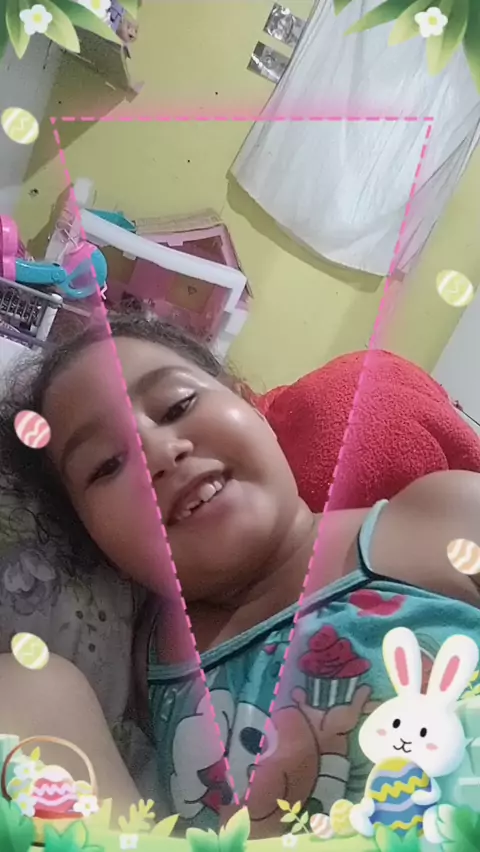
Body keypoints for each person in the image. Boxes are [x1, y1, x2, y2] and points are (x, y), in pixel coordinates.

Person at [0, 312, 479, 839]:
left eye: (178, 405)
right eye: (107, 465)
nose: (158, 453)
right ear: (97, 543)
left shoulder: (433, 518)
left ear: (249, 404)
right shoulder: (147, 660)